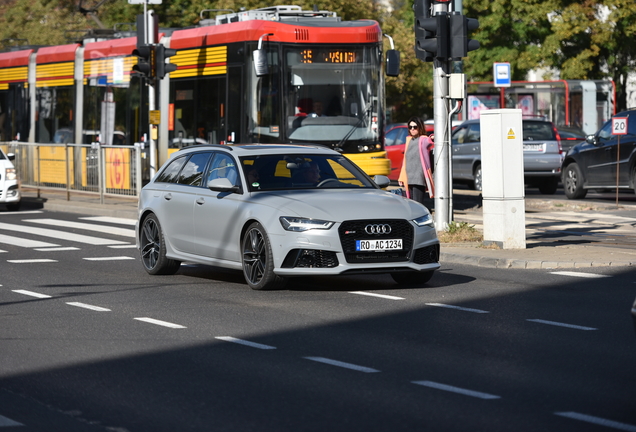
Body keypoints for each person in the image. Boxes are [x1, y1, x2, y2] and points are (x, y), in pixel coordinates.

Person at [398, 116, 435, 207]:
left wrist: (433, 137)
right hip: (409, 177)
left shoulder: (423, 139)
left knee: (418, 205)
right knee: (411, 205)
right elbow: (405, 161)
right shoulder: (409, 140)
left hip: (418, 178)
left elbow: (429, 140)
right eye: (410, 127)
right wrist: (402, 177)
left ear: (420, 127)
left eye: (415, 127)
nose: (412, 129)